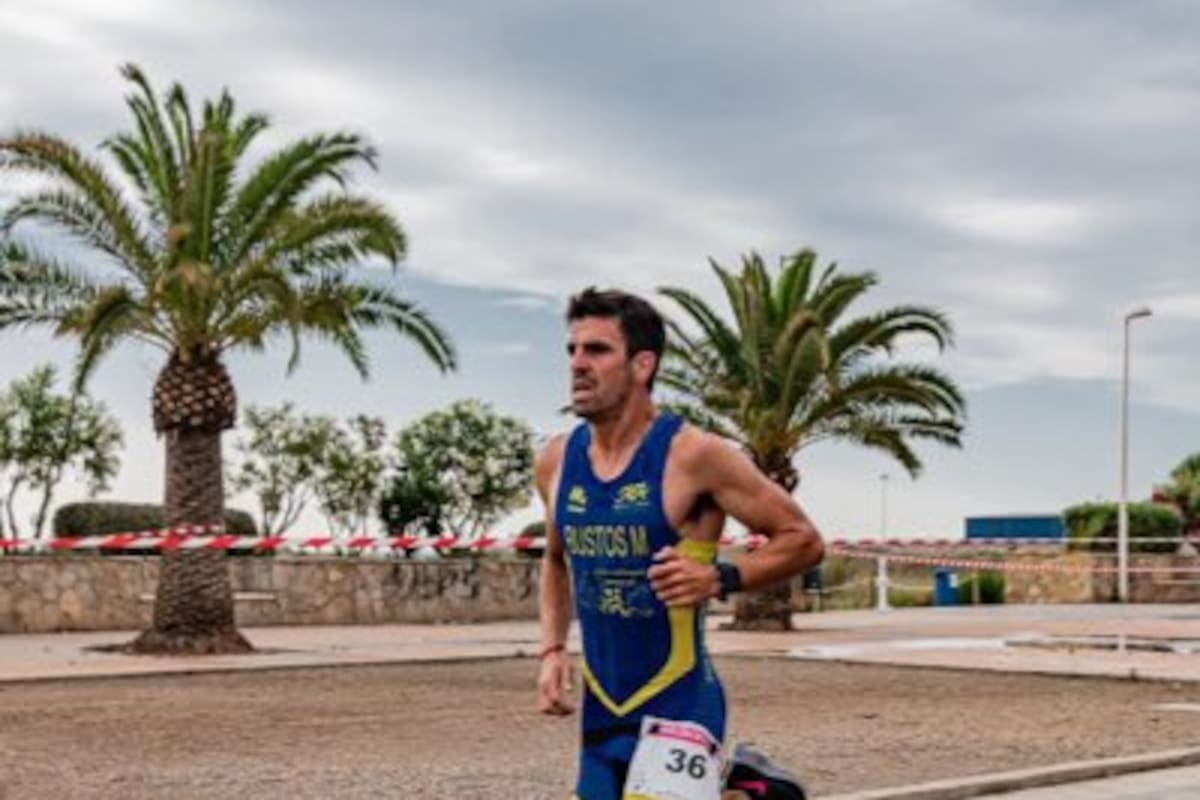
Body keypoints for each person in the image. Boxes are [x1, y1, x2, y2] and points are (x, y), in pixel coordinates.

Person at [535, 287, 825, 800]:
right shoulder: (556, 462)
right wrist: (553, 649)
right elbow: (556, 561)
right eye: (572, 350)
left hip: (679, 699)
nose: (578, 364)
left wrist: (721, 576)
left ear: (642, 364)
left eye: (597, 350)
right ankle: (749, 790)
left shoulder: (694, 455)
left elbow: (802, 539)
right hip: (604, 703)